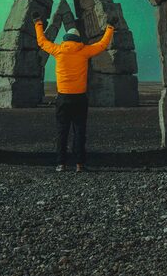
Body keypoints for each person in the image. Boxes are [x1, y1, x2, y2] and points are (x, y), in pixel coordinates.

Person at [34, 15, 115, 173]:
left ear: (65, 39)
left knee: (61, 132)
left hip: (63, 98)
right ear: (78, 39)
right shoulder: (84, 51)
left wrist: (38, 23)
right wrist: (110, 27)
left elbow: (42, 42)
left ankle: (61, 164)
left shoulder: (58, 50)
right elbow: (102, 44)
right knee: (80, 132)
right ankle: (79, 164)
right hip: (79, 98)